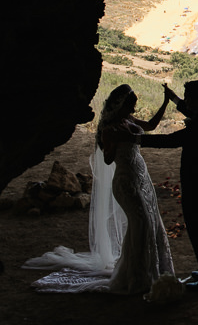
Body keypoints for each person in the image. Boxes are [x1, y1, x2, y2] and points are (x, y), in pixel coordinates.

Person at [24, 84, 180, 300]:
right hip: (126, 182)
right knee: (140, 223)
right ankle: (136, 275)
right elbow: (107, 159)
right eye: (131, 106)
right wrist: (116, 143)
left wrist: (165, 101)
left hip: (141, 177)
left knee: (150, 223)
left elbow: (152, 125)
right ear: (120, 105)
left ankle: (152, 271)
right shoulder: (110, 129)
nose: (134, 110)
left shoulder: (128, 121)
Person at [139, 80, 198, 292]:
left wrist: (136, 139)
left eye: (188, 97)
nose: (185, 101)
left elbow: (173, 140)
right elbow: (189, 110)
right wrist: (173, 97)